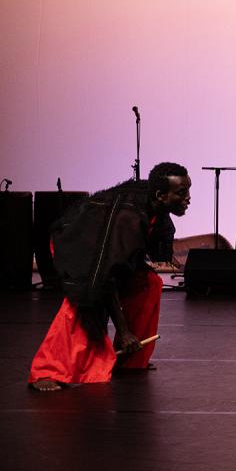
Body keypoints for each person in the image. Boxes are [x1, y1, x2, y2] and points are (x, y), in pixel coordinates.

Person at [28, 163, 191, 391]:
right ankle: (47, 370)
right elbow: (107, 276)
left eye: (188, 190)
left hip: (105, 248)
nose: (188, 198)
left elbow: (134, 251)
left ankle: (131, 360)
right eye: (182, 193)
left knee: (149, 283)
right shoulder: (128, 219)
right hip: (76, 243)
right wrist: (123, 331)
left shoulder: (154, 201)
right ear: (160, 195)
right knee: (84, 301)